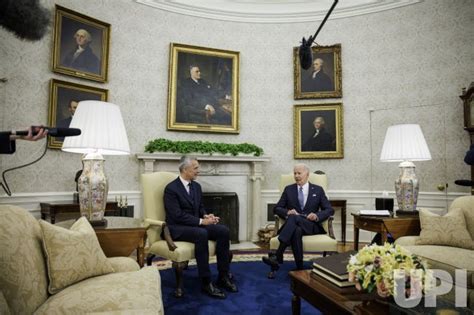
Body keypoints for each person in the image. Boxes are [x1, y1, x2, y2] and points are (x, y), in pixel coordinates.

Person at [164, 156, 237, 299]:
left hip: (195, 225)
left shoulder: (196, 186)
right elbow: (176, 215)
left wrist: (206, 216)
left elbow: (200, 207)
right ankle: (206, 281)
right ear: (185, 169)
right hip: (177, 228)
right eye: (196, 168)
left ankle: (223, 276)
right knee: (201, 234)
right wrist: (201, 222)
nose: (199, 171)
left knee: (223, 231)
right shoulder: (171, 189)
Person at [262, 164, 334, 271]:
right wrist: (288, 212)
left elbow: (329, 209)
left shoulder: (318, 190)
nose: (296, 176)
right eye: (295, 173)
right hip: (293, 226)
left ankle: (278, 254)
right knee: (296, 229)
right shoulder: (289, 189)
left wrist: (316, 216)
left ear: (307, 174)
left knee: (294, 219)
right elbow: (277, 208)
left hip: (311, 225)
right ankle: (300, 267)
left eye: (299, 173)